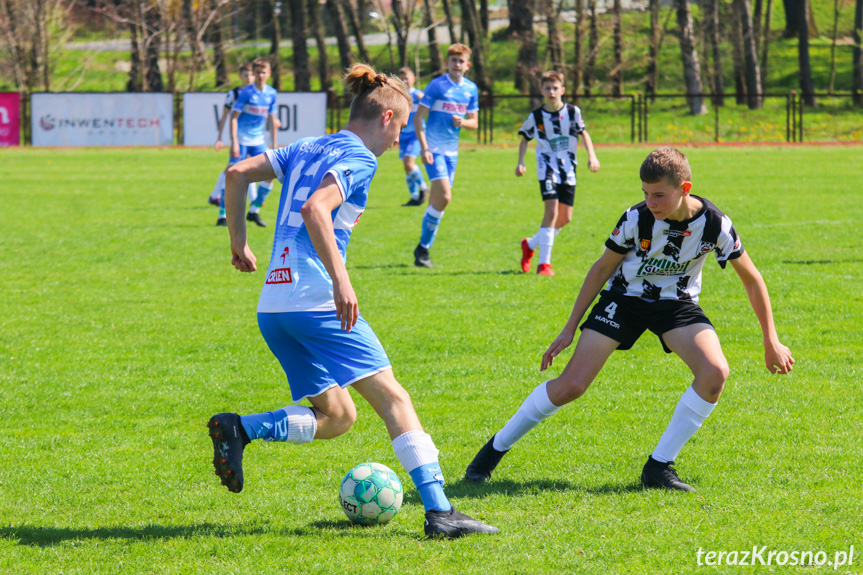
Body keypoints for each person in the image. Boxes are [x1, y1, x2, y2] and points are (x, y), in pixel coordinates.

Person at [207, 63, 499, 539]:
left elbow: (237, 172)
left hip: (275, 307)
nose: (398, 140)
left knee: (339, 417)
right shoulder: (360, 156)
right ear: (386, 117)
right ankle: (442, 511)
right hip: (317, 299)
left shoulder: (307, 145)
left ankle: (241, 428)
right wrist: (342, 281)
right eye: (401, 129)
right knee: (394, 399)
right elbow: (314, 208)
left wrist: (238, 240)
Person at [465, 146, 795, 492]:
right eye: (645, 194)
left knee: (715, 373)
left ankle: (659, 466)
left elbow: (752, 279)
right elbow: (601, 269)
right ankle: (492, 451)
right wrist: (568, 329)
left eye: (659, 195)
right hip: (623, 300)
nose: (650, 202)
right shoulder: (636, 219)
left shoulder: (714, 224)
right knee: (572, 385)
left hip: (676, 305)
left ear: (685, 188)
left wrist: (770, 340)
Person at [516, 70, 600, 276]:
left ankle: (531, 244)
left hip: (569, 169)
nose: (551, 92)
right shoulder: (535, 116)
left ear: (562, 90)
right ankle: (544, 264)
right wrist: (520, 162)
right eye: (547, 88)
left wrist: (592, 155)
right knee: (551, 212)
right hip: (547, 168)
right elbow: (525, 138)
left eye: (555, 88)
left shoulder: (572, 112)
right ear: (542, 91)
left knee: (565, 218)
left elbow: (583, 133)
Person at [411, 43, 479, 267]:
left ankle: (423, 250)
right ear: (447, 63)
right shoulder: (437, 86)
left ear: (467, 65)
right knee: (445, 198)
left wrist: (464, 122)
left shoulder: (471, 89)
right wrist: (425, 148)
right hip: (434, 150)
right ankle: (422, 249)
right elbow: (418, 118)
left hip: (452, 152)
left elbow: (474, 123)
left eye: (461, 61)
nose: (457, 65)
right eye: (453, 61)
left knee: (439, 200)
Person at [216, 57, 278, 228]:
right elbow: (233, 118)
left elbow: (273, 121)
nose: (260, 76)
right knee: (232, 174)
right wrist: (234, 142)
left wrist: (274, 146)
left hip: (258, 141)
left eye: (263, 72)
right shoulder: (245, 93)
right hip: (242, 141)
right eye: (257, 72)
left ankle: (254, 210)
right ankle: (222, 215)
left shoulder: (271, 93)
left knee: (272, 173)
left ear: (269, 74)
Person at [209, 63, 258, 209]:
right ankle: (218, 196)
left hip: (253, 139)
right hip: (238, 138)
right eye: (246, 75)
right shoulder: (234, 94)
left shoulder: (257, 94)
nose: (249, 78)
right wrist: (220, 138)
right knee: (232, 167)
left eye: (251, 75)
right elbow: (225, 116)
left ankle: (216, 196)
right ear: (240, 76)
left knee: (249, 165)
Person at [397, 67, 429, 207]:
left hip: (416, 135)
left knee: (409, 163)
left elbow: (429, 109)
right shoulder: (398, 97)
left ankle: (423, 187)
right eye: (401, 79)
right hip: (403, 136)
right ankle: (414, 196)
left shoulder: (418, 95)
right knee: (406, 166)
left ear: (413, 80)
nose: (404, 81)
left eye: (406, 78)